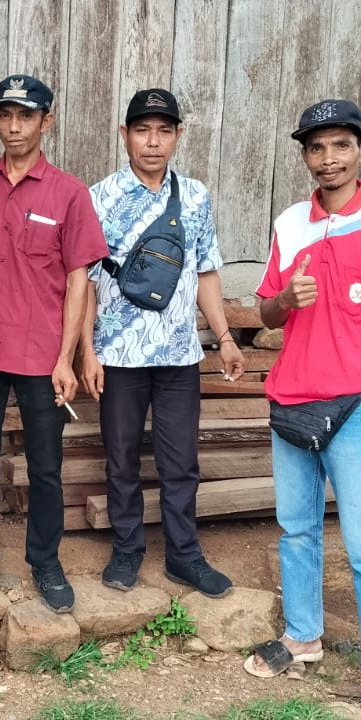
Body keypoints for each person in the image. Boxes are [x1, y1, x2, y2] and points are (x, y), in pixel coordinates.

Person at [0, 75, 108, 612]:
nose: (13, 126)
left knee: (45, 466)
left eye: (25, 116)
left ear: (45, 122)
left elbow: (79, 282)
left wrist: (68, 358)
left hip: (40, 354)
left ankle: (45, 563)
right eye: (5, 115)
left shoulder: (69, 193)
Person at [81, 89, 245, 598]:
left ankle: (184, 556)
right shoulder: (99, 197)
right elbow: (84, 282)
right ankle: (127, 549)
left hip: (178, 354)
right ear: (124, 134)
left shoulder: (194, 196)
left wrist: (224, 337)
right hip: (118, 354)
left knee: (180, 462)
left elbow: (206, 271)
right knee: (121, 457)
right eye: (142, 130)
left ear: (177, 136)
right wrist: (87, 351)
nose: (153, 142)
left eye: (164, 131)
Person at [244, 99, 361, 677]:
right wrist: (286, 299)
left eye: (341, 145)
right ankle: (303, 635)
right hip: (295, 396)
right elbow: (265, 311)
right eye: (317, 147)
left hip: (356, 402)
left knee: (360, 541)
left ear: (359, 150)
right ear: (305, 157)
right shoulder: (291, 223)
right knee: (296, 529)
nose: (328, 158)